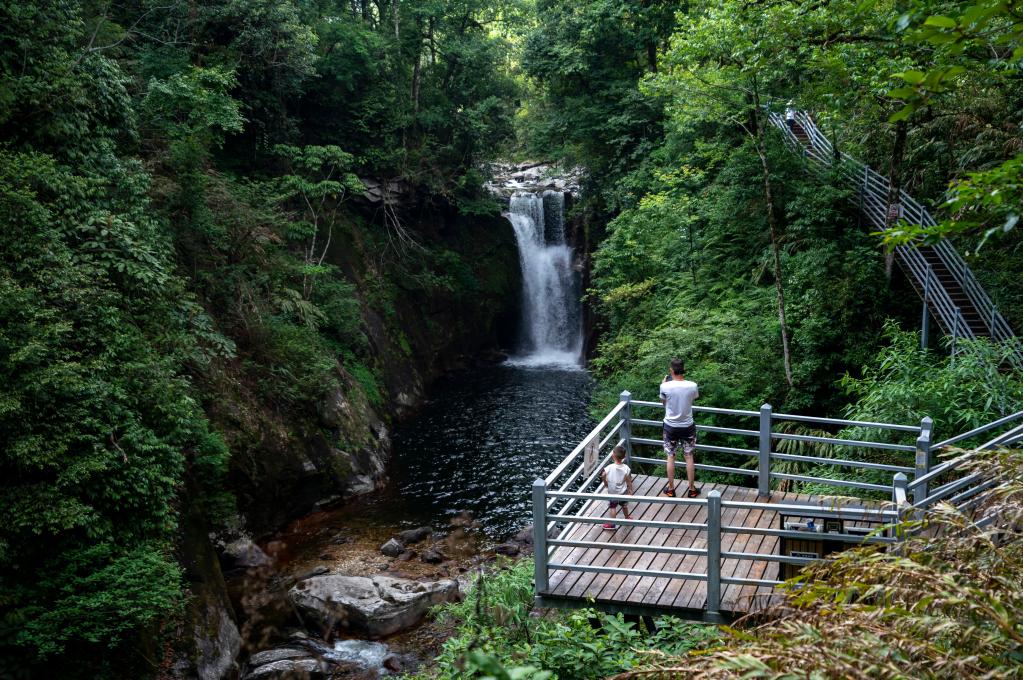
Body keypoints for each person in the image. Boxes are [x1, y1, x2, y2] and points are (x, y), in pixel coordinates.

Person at [659, 358, 699, 497]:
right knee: (689, 456)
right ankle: (692, 489)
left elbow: (663, 403)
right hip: (687, 426)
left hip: (670, 426)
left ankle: (671, 489)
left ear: (671, 370)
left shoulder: (665, 387)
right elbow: (692, 400)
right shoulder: (692, 385)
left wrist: (664, 385)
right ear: (684, 370)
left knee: (671, 456)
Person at [600, 445, 634, 529]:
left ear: (613, 455)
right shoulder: (626, 468)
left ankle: (612, 524)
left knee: (613, 507)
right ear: (624, 457)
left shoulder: (609, 467)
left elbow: (603, 475)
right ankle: (627, 518)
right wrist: (630, 489)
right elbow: (628, 480)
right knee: (624, 505)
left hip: (612, 492)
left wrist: (605, 482)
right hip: (623, 492)